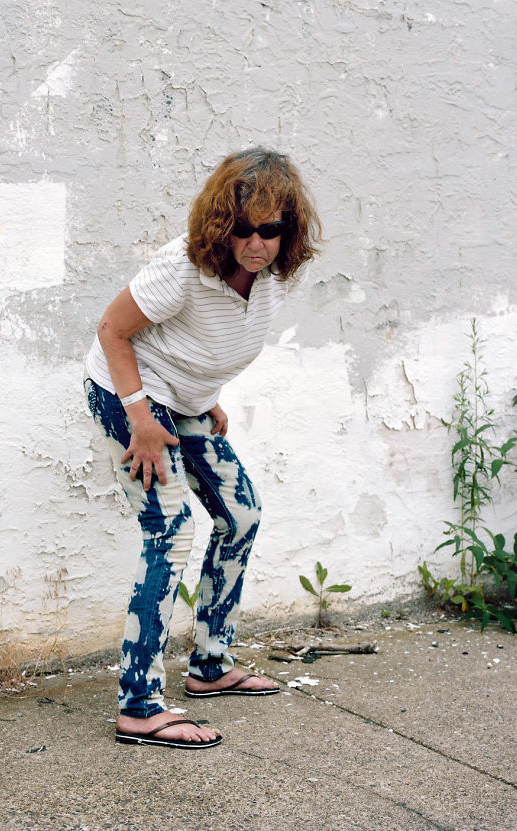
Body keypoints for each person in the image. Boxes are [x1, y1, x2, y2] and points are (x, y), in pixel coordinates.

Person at [84, 148, 320, 749]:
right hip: (130, 395)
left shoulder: (265, 278)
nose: (257, 242)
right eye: (244, 227)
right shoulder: (184, 269)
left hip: (181, 400)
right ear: (223, 220)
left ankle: (211, 666)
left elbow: (202, 341)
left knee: (241, 514)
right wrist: (139, 413)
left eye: (271, 229)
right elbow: (114, 331)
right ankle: (139, 704)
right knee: (169, 527)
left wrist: (203, 394)